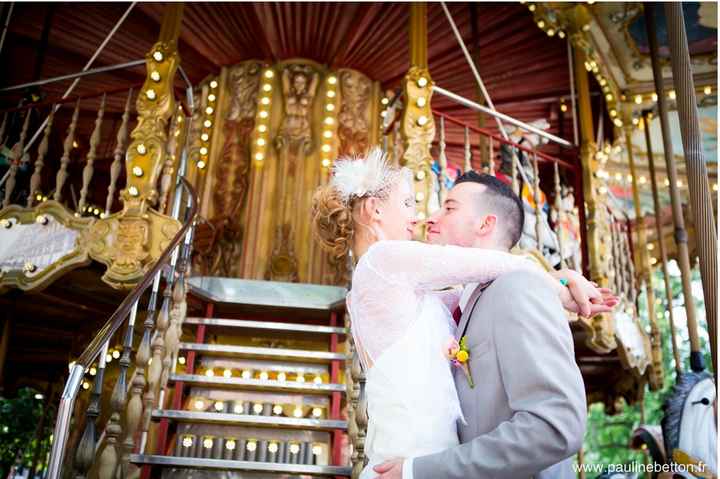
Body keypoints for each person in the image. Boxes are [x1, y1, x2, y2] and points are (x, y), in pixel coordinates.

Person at [310, 149, 616, 479]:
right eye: (409, 203)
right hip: (413, 458)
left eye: (446, 207)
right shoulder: (382, 259)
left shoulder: (394, 283)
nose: (422, 216)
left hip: (427, 457)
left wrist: (557, 279)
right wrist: (555, 279)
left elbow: (469, 290)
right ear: (374, 208)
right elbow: (483, 266)